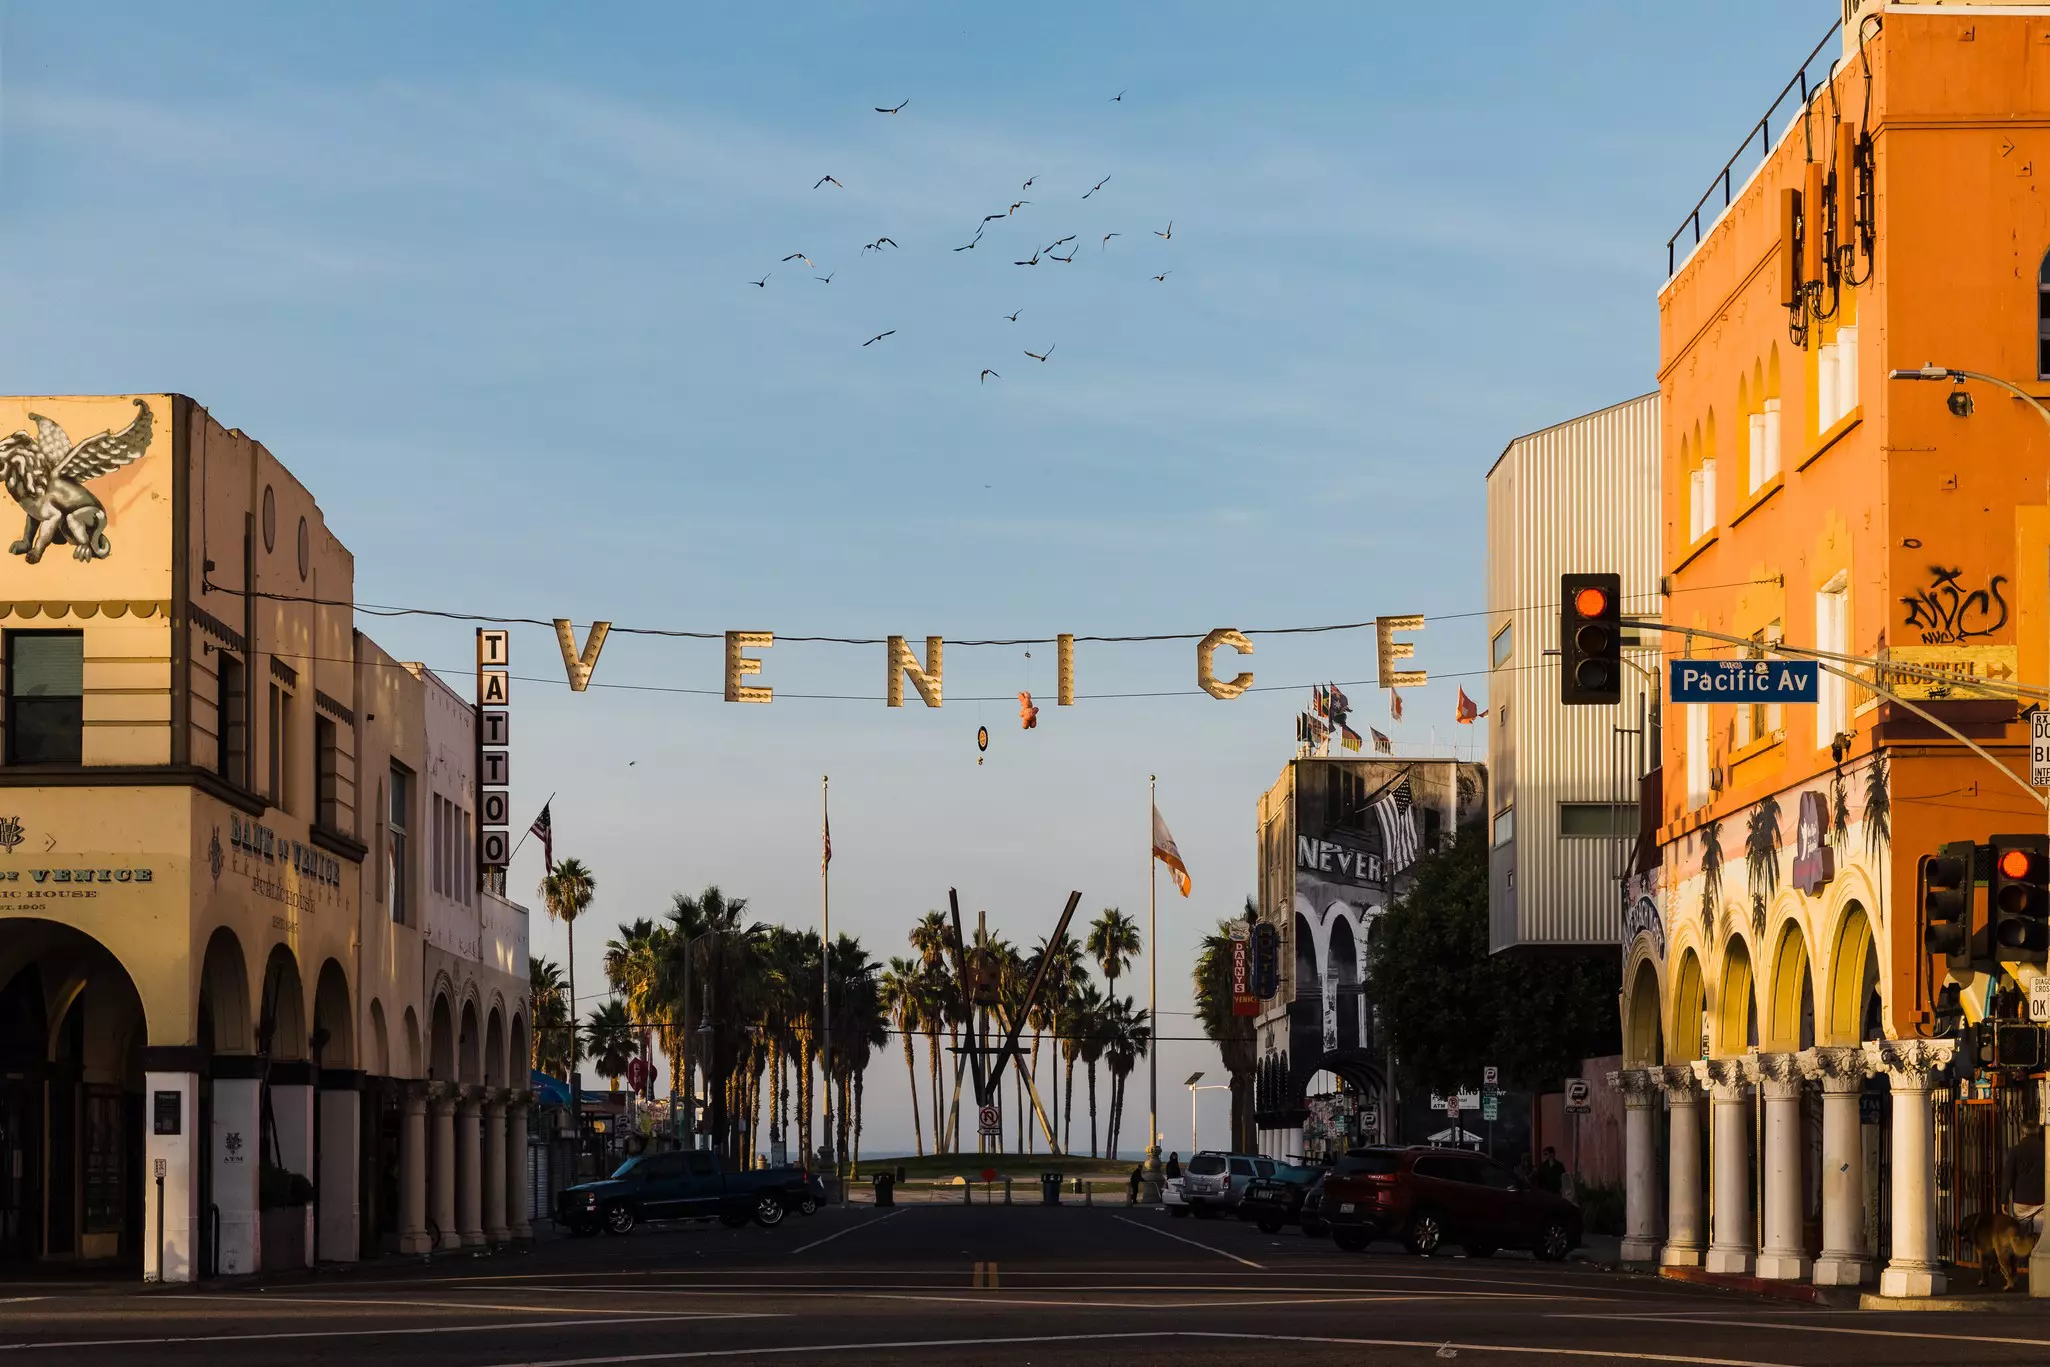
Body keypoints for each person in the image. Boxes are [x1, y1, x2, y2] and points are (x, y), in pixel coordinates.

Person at [2007, 1118, 2045, 1235]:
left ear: (2023, 1131)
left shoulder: (2016, 1150)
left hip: (2021, 1199)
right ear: (2038, 1131)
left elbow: (2008, 1175)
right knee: (2040, 1234)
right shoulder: (2045, 1149)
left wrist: (2004, 1199)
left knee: (2022, 1234)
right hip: (2041, 1199)